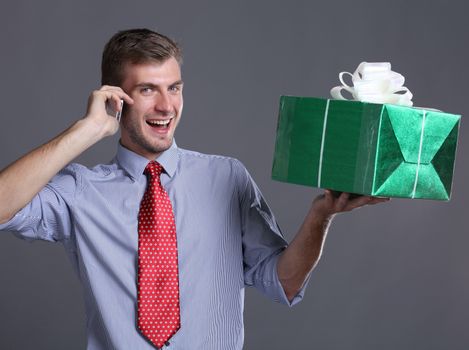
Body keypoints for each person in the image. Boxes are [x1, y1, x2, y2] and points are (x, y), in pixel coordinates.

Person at [0, 28, 388, 349]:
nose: (167, 106)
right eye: (148, 90)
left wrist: (322, 214)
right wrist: (84, 131)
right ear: (116, 98)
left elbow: (282, 281)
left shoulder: (227, 177)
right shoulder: (81, 191)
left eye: (175, 88)